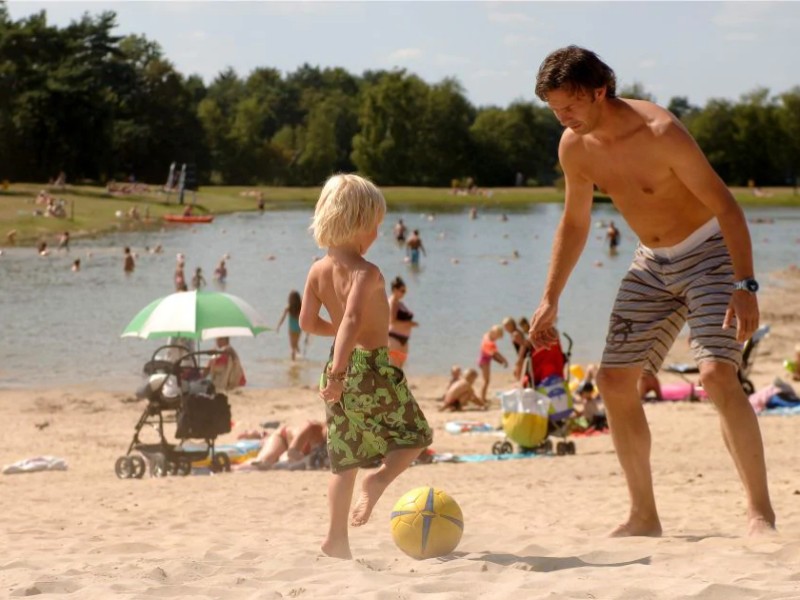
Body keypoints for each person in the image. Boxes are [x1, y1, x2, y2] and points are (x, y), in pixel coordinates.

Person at [528, 45, 774, 536]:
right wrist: (550, 297)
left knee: (716, 375)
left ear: (600, 90)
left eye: (570, 106)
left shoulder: (662, 134)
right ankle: (644, 516)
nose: (563, 117)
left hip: (709, 256)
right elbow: (575, 222)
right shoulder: (574, 146)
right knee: (614, 383)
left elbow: (728, 208)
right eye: (554, 108)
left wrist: (745, 285)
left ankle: (760, 514)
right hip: (651, 263)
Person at [299, 173, 432, 559]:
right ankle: (379, 481)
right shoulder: (367, 272)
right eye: (375, 224)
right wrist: (343, 368)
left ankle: (335, 540)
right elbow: (354, 320)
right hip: (369, 368)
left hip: (334, 370)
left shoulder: (317, 269)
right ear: (360, 224)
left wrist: (336, 360)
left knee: (344, 458)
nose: (377, 232)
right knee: (416, 436)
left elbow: (308, 323)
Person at [250, 421, 327, 470]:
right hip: (282, 438)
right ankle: (239, 468)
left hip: (295, 451)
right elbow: (292, 452)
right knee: (265, 462)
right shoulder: (310, 427)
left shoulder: (331, 441)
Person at [387, 276, 418, 368]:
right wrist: (409, 324)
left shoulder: (399, 303)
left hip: (403, 339)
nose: (404, 293)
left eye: (405, 291)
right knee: (394, 367)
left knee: (399, 368)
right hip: (394, 338)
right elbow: (392, 321)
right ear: (395, 290)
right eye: (402, 291)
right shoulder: (392, 302)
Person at [477, 325, 508, 407]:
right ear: (494, 333)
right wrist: (504, 360)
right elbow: (496, 354)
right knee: (486, 381)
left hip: (484, 360)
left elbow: (493, 355)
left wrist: (500, 361)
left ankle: (483, 397)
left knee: (486, 380)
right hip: (484, 362)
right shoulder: (489, 343)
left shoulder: (487, 336)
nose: (496, 339)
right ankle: (482, 399)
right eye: (497, 337)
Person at [276, 290, 303, 361]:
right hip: (298, 329)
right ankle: (300, 357)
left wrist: (278, 326)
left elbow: (283, 318)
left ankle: (293, 362)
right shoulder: (300, 308)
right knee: (296, 344)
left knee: (292, 347)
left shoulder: (288, 308)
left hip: (291, 330)